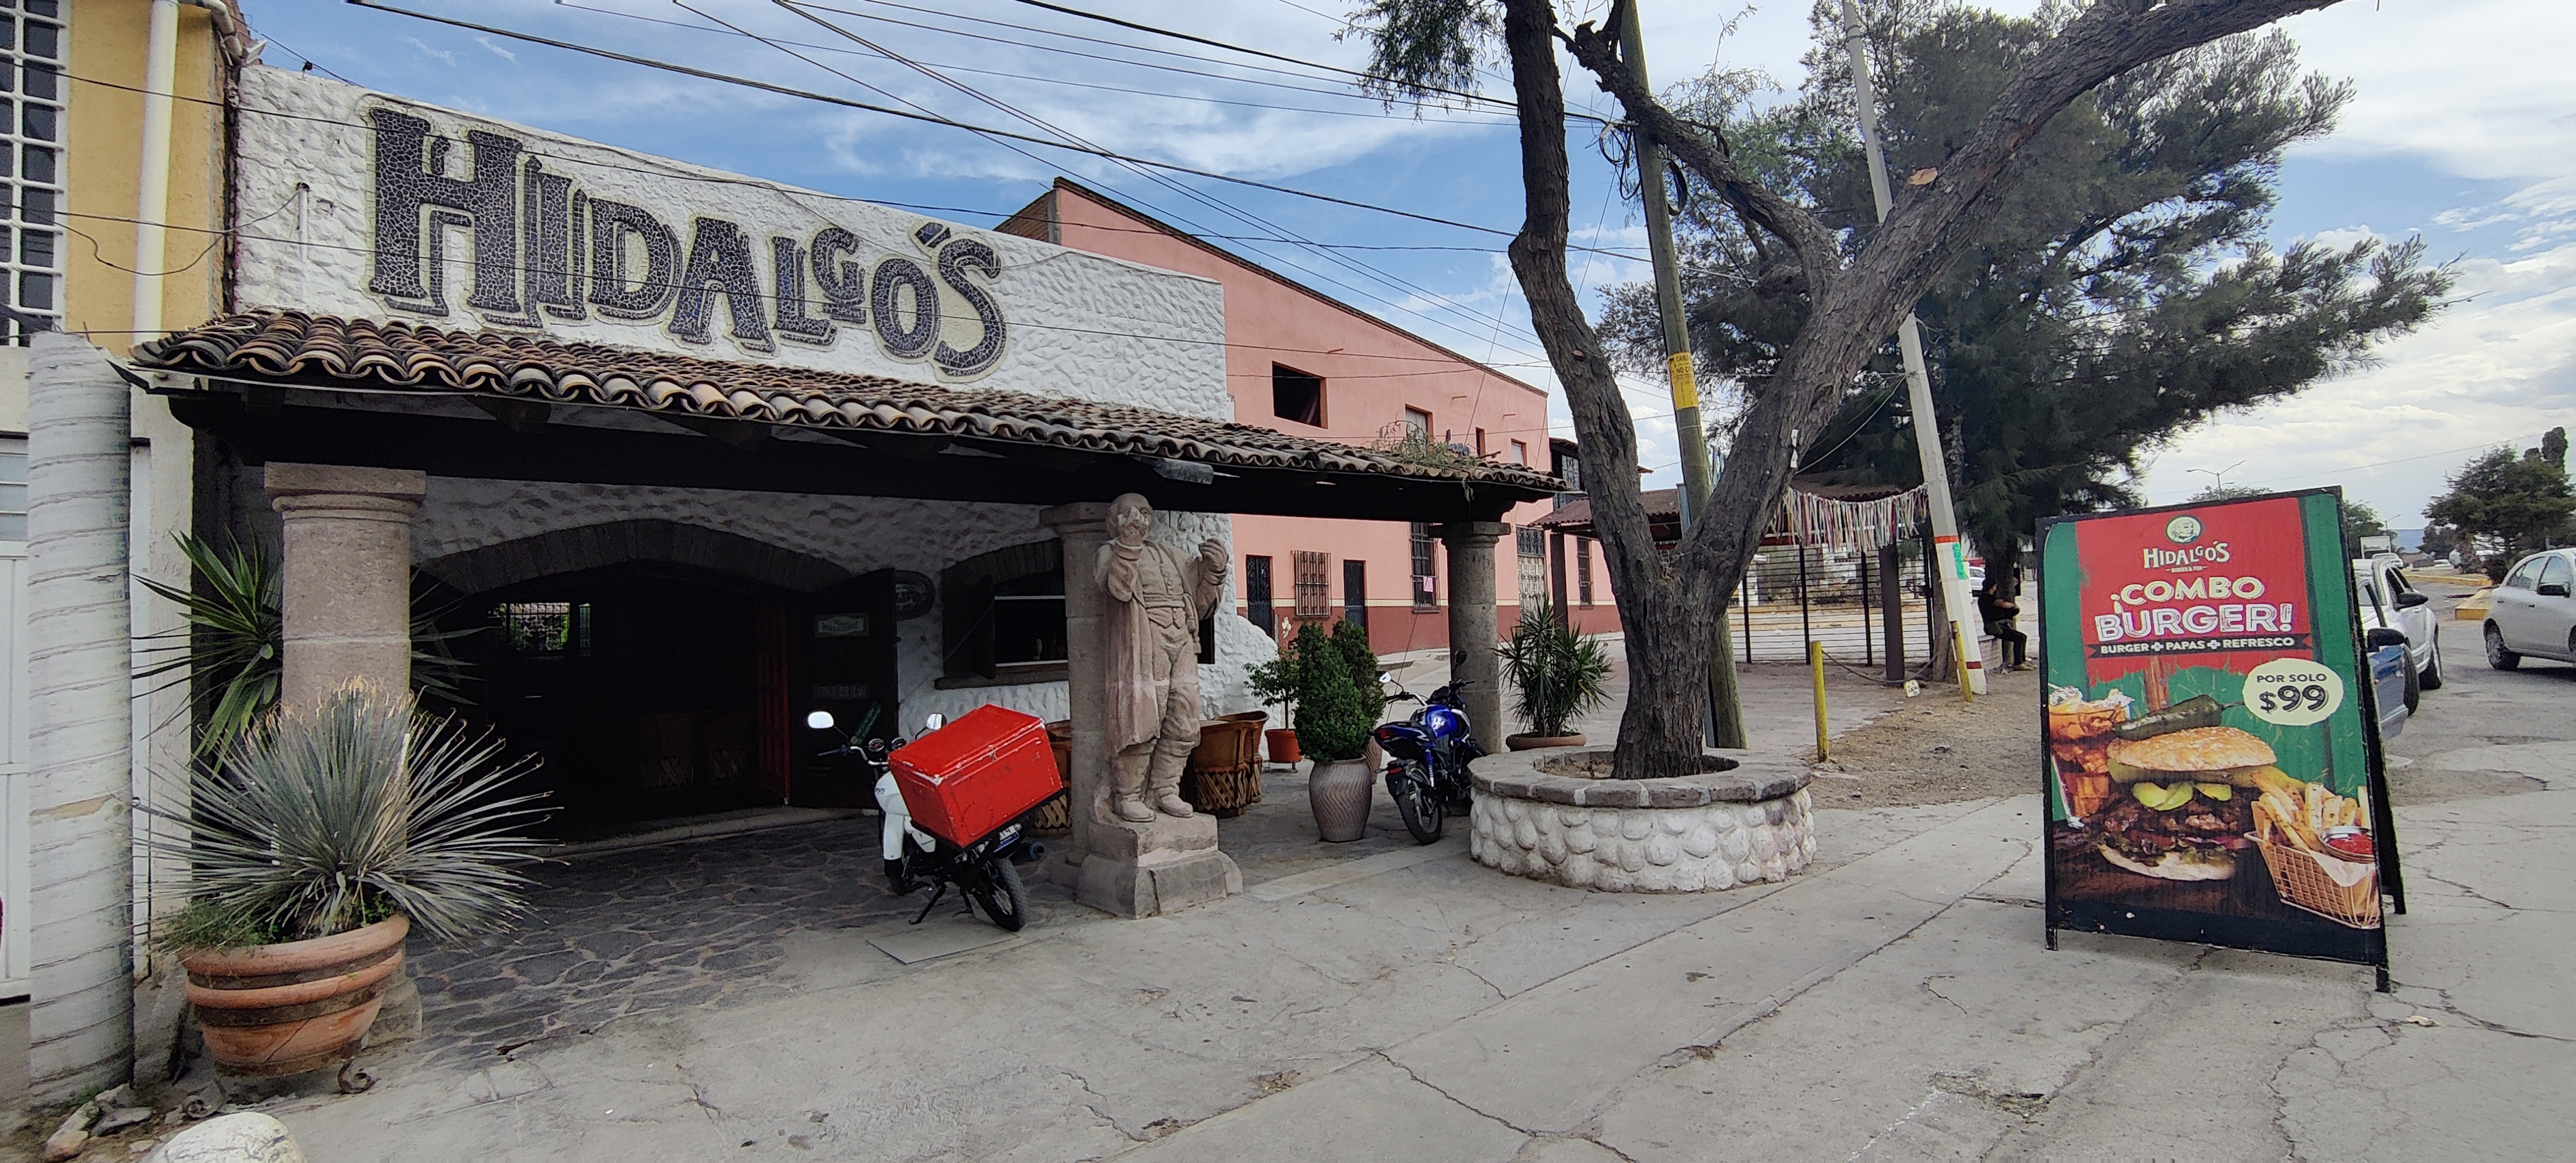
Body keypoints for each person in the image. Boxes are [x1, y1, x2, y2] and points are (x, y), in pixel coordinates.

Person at [1098, 493, 1228, 822]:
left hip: (1181, 638)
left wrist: (1214, 571)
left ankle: (1165, 789)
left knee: (1184, 717)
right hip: (1144, 639)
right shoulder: (1108, 553)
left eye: (1143, 513)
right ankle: (1128, 795)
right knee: (1142, 717)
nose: (1138, 520)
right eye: (1128, 514)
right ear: (1115, 521)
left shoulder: (1170, 554)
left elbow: (1200, 606)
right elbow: (1117, 588)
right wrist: (1127, 546)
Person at [1978, 568, 2028, 672]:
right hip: (1994, 627)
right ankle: (2018, 663)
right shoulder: (1987, 598)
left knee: (2022, 637)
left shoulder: (1989, 597)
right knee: (2019, 638)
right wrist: (2010, 605)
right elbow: (2002, 605)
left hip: (2000, 625)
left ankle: (2022, 661)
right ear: (1992, 587)